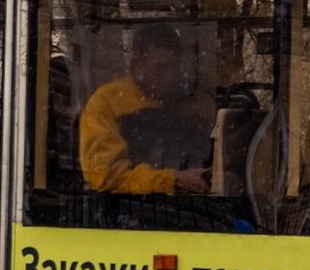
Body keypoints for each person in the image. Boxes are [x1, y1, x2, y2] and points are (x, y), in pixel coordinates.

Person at [80, 23, 214, 194]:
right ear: (137, 64)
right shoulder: (107, 102)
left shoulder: (197, 103)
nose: (170, 76)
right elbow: (106, 178)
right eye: (160, 68)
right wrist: (172, 181)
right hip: (130, 211)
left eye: (174, 67)